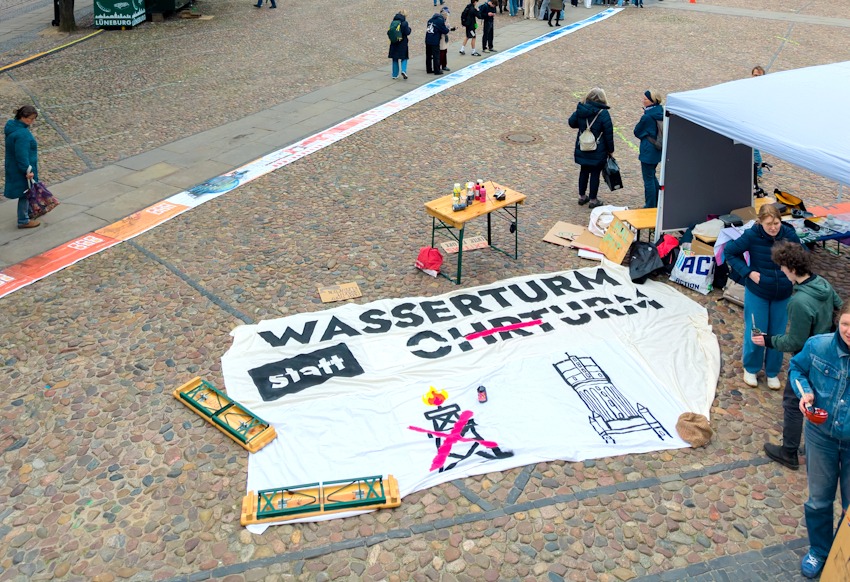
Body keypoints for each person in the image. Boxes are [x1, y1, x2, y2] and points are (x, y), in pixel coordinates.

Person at [751, 242, 842, 470]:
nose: (781, 271)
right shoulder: (823, 284)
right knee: (823, 402)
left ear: (790, 268)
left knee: (793, 403)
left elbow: (795, 342)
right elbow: (840, 308)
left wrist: (768, 340)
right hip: (830, 352)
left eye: (782, 267)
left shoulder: (799, 302)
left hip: (809, 360)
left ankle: (789, 452)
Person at [788, 300, 850, 578]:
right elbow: (797, 369)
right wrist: (805, 393)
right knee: (819, 501)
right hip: (821, 438)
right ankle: (820, 550)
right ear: (839, 319)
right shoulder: (818, 345)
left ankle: (842, 552)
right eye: (847, 323)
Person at [724, 204, 802, 390]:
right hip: (758, 291)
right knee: (757, 330)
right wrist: (749, 272)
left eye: (776, 223)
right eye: (769, 224)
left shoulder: (788, 234)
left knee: (778, 332)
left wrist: (795, 275)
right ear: (760, 222)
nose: (773, 227)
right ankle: (751, 368)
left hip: (782, 293)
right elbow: (730, 252)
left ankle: (772, 371)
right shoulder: (752, 235)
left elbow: (803, 255)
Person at [567, 88, 615, 209]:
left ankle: (582, 197)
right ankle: (593, 199)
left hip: (583, 146)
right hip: (598, 148)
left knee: (584, 171)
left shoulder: (581, 109)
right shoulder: (603, 113)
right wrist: (610, 150)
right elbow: (609, 133)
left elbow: (572, 123)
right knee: (595, 174)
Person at [4, 105, 40, 229]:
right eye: (31, 118)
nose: (32, 121)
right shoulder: (22, 134)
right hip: (22, 168)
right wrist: (27, 170)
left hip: (13, 166)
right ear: (23, 117)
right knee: (25, 193)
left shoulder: (13, 128)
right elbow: (22, 154)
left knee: (26, 192)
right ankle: (23, 220)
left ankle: (30, 212)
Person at [633, 89, 664, 209]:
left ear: (651, 101)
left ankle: (650, 205)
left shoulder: (647, 117)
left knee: (648, 179)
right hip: (657, 150)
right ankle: (657, 201)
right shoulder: (661, 111)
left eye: (645, 99)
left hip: (648, 151)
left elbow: (637, 131)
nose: (643, 100)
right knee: (652, 175)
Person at [388, 11, 412, 80]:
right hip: (402, 42)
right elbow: (407, 32)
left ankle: (394, 74)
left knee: (395, 58)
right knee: (404, 57)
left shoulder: (393, 22)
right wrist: (410, 29)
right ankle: (403, 71)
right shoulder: (404, 23)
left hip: (394, 42)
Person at [438, 7, 456, 72]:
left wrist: (451, 28)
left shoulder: (446, 19)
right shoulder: (441, 20)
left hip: (445, 37)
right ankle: (439, 65)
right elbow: (443, 29)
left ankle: (444, 65)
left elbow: (447, 27)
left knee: (444, 51)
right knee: (442, 52)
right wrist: (448, 29)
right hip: (441, 37)